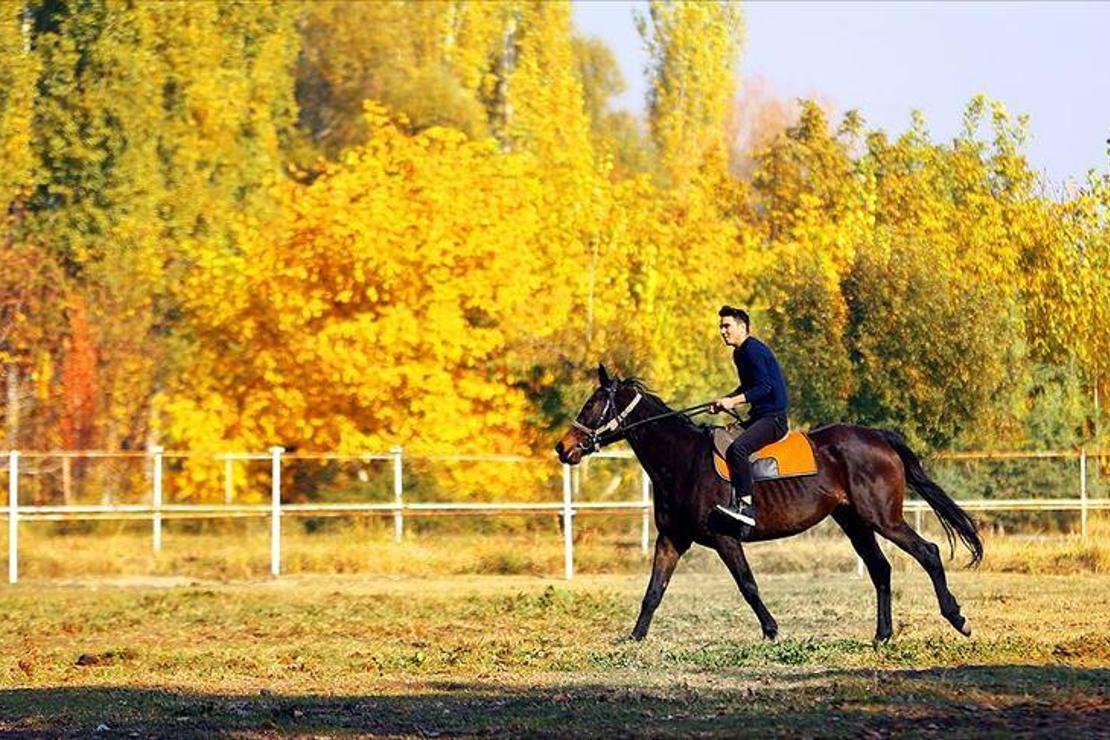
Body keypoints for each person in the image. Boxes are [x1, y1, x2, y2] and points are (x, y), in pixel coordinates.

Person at [710, 306, 789, 536]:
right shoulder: (740, 353)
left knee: (738, 449)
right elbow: (749, 387)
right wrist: (726, 399)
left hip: (773, 419)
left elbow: (765, 388)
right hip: (758, 417)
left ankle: (746, 507)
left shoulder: (753, 350)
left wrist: (733, 402)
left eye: (727, 326)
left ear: (742, 327)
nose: (723, 331)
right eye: (721, 327)